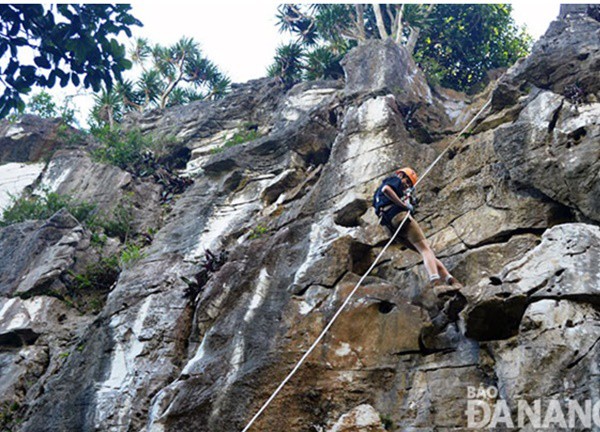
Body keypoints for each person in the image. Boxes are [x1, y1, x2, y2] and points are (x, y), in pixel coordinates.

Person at [374, 167, 462, 294]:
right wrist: (404, 205)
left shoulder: (378, 194)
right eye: (407, 181)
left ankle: (451, 280)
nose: (407, 185)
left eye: (410, 183)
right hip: (399, 216)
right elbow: (386, 189)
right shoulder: (394, 179)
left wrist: (408, 200)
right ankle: (436, 283)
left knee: (425, 252)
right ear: (400, 174)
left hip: (389, 227)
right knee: (426, 250)